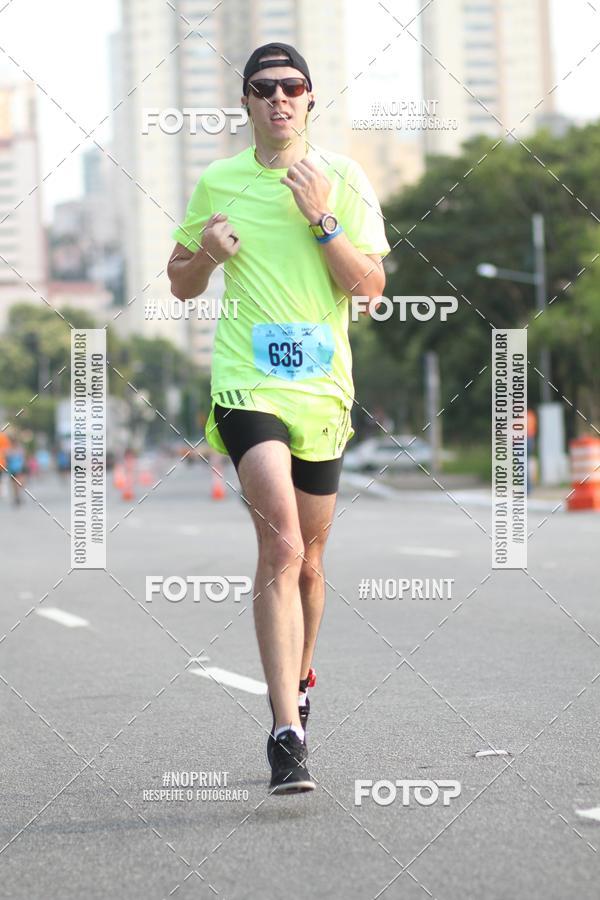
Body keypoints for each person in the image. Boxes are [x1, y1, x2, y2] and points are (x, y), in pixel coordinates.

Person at [168, 42, 390, 794]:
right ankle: (285, 733)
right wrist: (204, 253)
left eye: (292, 86)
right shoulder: (219, 181)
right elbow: (180, 284)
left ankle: (300, 686)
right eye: (264, 89)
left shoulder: (344, 180)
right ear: (247, 103)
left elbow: (371, 290)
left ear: (310, 98)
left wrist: (322, 218)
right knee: (282, 543)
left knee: (313, 562)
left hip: (321, 393)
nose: (279, 99)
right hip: (246, 386)